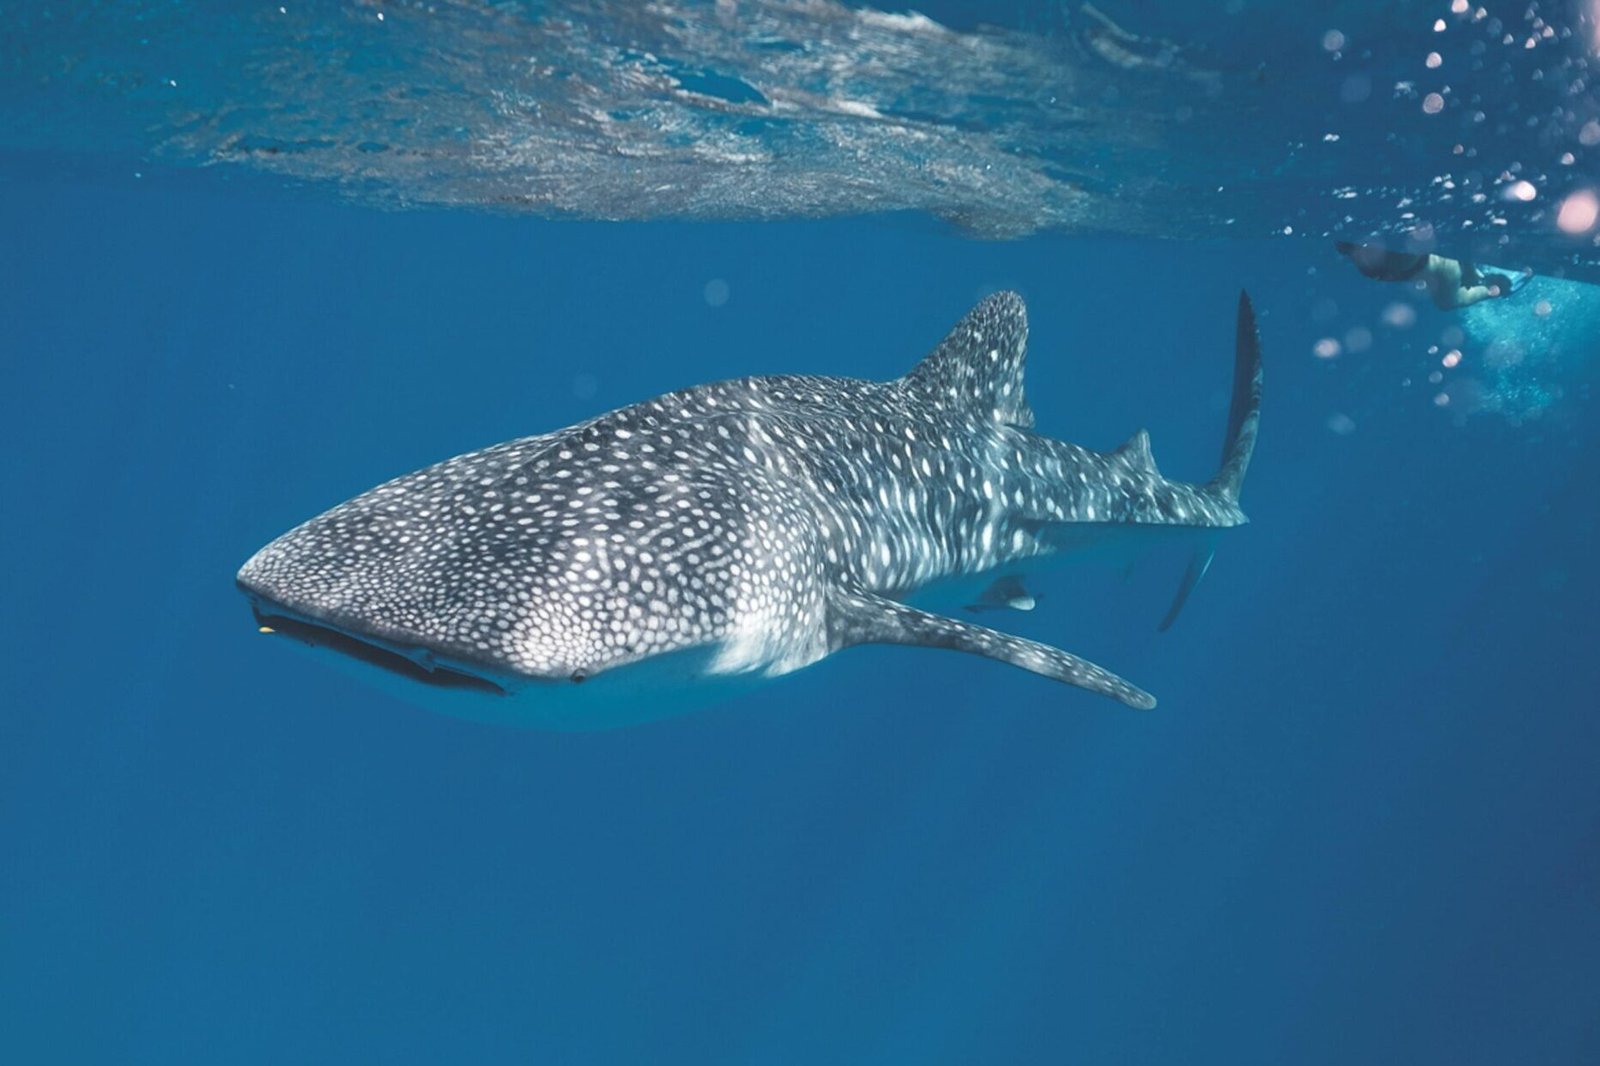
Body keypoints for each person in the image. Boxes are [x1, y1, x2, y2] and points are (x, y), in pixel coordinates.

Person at [1335, 240, 1532, 310]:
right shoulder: (1368, 263)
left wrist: (1469, 267)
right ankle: (1486, 280)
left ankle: (1495, 288)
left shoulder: (1373, 264)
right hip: (1440, 266)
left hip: (1443, 268)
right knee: (1454, 295)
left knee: (1448, 303)